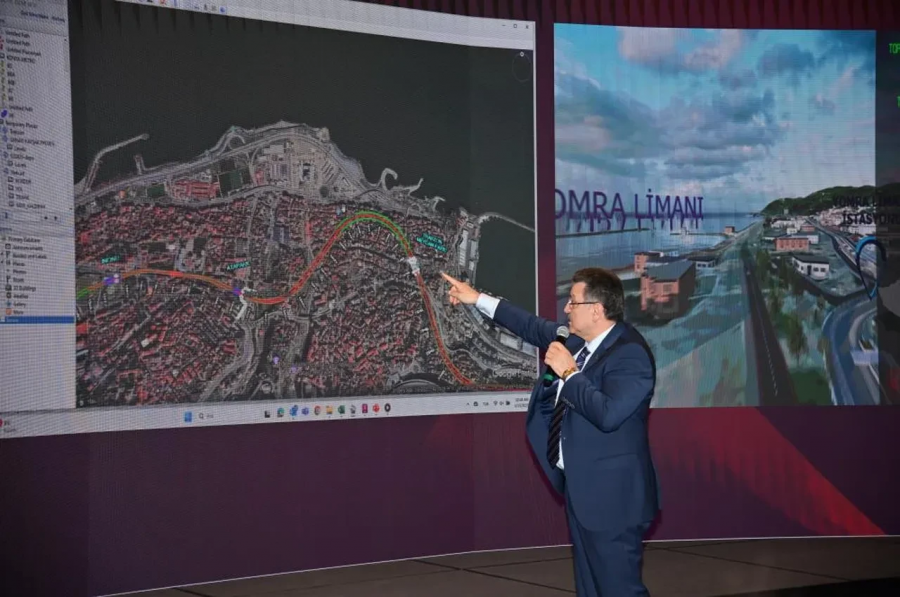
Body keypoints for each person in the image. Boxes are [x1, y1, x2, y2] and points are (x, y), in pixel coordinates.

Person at [441, 268, 659, 597]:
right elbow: (530, 325)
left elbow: (608, 414)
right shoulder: (579, 341)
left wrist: (569, 372)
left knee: (619, 590)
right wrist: (477, 299)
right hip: (583, 491)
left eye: (573, 302)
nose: (566, 308)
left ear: (596, 310)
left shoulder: (630, 354)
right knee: (591, 589)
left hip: (612, 501)